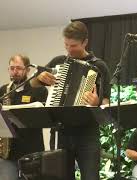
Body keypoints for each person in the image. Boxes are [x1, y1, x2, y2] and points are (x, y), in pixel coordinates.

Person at [31, 21, 111, 180]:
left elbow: (106, 101)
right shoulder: (58, 61)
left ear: (85, 42)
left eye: (73, 45)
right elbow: (33, 84)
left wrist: (96, 103)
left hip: (87, 134)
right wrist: (39, 78)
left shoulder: (99, 65)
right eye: (66, 45)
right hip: (61, 133)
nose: (69, 49)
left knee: (90, 177)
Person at [0, 54, 47, 180]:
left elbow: (43, 119)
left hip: (32, 151)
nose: (15, 72)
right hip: (8, 154)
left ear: (27, 70)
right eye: (12, 68)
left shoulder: (39, 90)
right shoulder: (4, 91)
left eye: (19, 68)